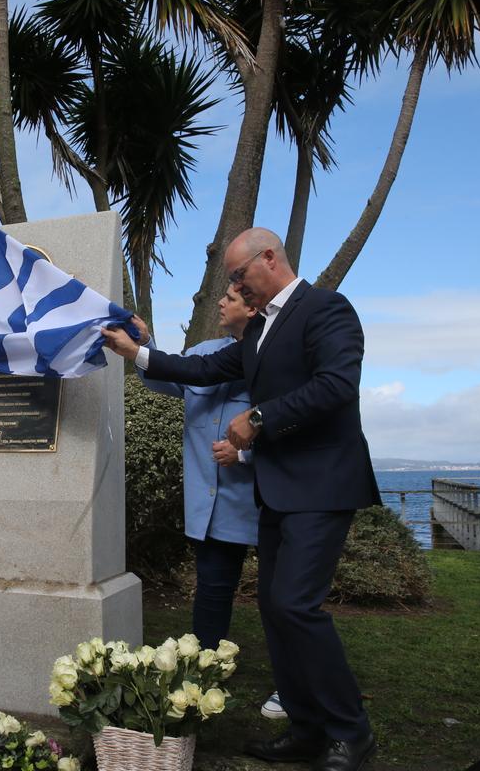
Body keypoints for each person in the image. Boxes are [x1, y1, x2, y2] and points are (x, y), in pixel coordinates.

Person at [103, 227, 380, 771]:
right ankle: (305, 730)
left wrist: (258, 417)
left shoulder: (327, 309)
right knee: (278, 611)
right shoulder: (256, 336)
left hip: (322, 485)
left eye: (237, 275)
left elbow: (337, 385)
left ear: (269, 259)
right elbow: (202, 369)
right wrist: (138, 354)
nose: (234, 286)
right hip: (278, 492)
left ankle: (352, 733)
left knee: (297, 605)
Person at [133, 288, 286, 719]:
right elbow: (164, 379)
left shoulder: (276, 359)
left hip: (262, 500)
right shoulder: (204, 351)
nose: (221, 302)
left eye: (232, 296)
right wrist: (144, 346)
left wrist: (245, 455)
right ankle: (202, 674)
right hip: (212, 507)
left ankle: (291, 685)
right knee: (213, 594)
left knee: (281, 601)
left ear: (254, 308)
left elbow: (293, 420)